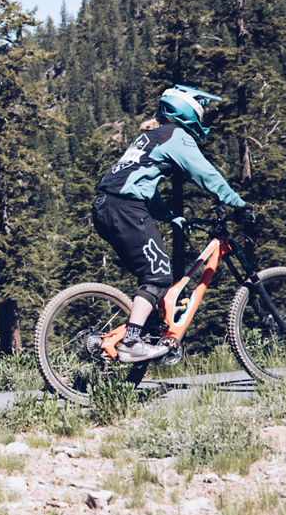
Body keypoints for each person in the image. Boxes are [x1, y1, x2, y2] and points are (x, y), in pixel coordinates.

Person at [92, 85, 251, 362]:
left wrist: (169, 216)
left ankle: (139, 334)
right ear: (187, 113)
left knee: (152, 278)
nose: (201, 123)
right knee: (158, 276)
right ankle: (131, 342)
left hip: (105, 207)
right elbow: (205, 174)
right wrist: (238, 203)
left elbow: (142, 184)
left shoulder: (151, 137)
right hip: (125, 208)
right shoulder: (176, 135)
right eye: (199, 116)